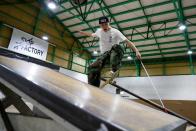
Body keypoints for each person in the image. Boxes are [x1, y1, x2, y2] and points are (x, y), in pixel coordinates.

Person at [78, 16, 141, 89]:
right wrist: (83, 33)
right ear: (100, 25)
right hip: (104, 55)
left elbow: (128, 42)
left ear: (108, 23)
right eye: (102, 25)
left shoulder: (115, 31)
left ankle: (114, 69)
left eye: (106, 24)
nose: (104, 27)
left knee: (116, 46)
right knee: (92, 67)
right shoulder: (99, 31)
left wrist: (136, 51)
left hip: (115, 52)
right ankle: (93, 86)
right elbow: (91, 34)